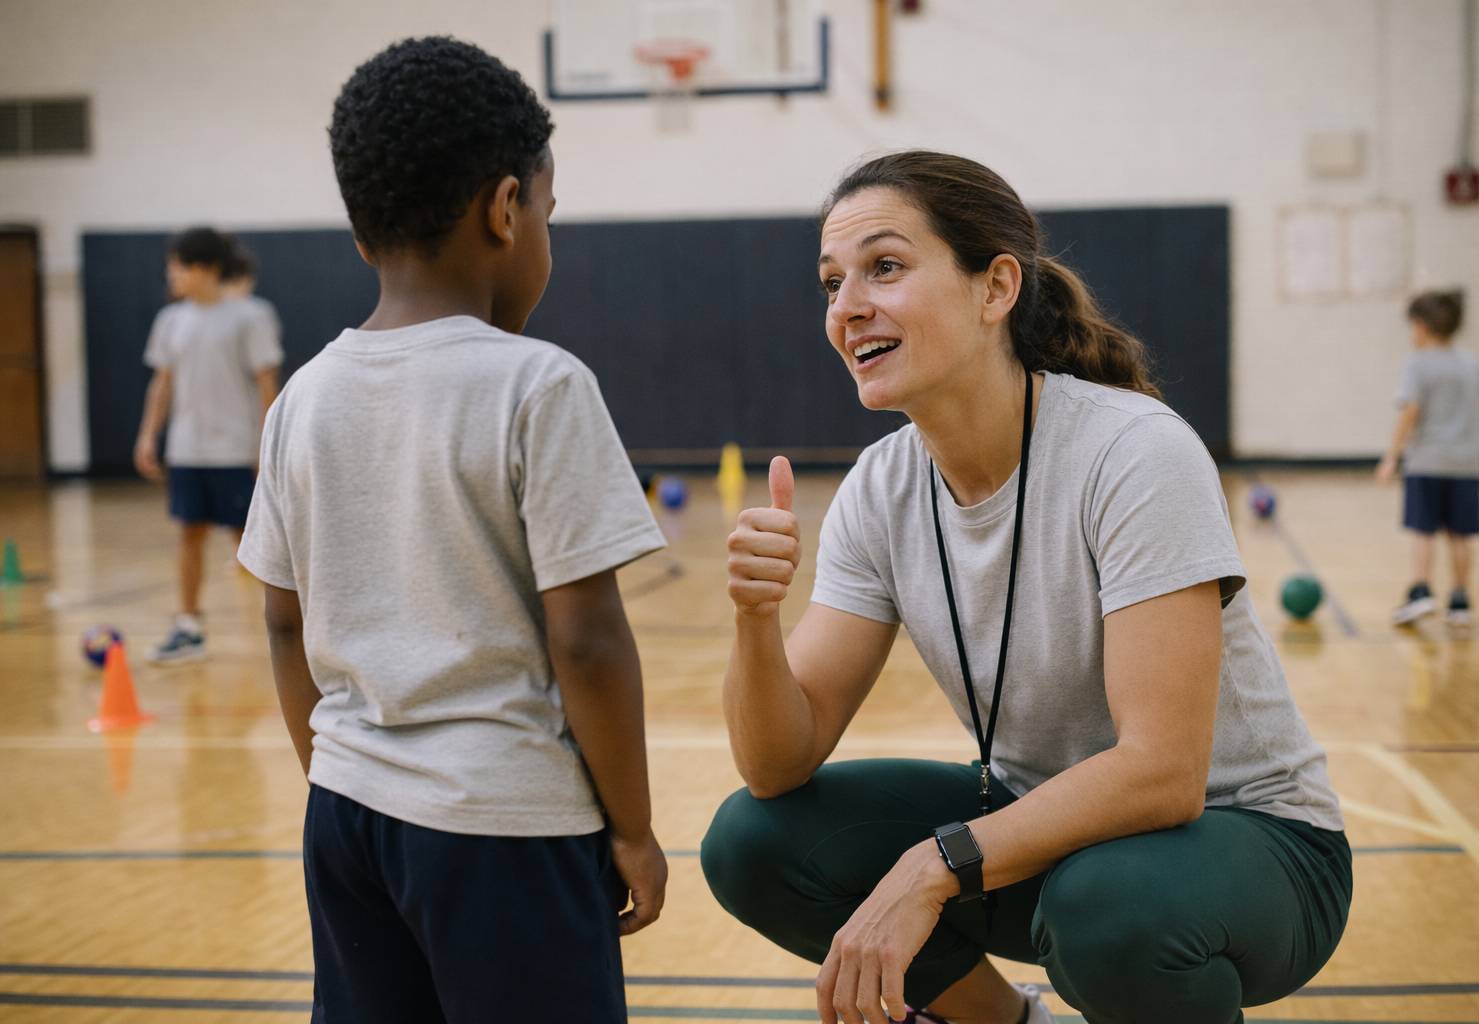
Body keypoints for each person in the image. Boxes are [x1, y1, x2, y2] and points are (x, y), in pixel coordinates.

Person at [702, 151, 1350, 1024]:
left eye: (884, 268)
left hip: (1255, 846)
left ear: (995, 287)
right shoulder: (879, 488)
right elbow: (777, 763)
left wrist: (928, 869)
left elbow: (1163, 774)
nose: (847, 307)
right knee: (755, 842)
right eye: (830, 283)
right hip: (1049, 831)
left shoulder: (1134, 453)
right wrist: (754, 619)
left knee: (1108, 907)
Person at [236, 37, 667, 1022]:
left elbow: (278, 622)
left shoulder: (302, 398)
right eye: (548, 214)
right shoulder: (538, 384)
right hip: (504, 823)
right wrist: (634, 828)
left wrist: (348, 773)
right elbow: (590, 636)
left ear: (360, 232)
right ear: (506, 208)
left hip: (343, 816)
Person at [135, 226, 283, 661]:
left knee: (252, 542)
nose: (172, 274)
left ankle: (290, 626)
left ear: (206, 268)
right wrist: (148, 434)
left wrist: (266, 445)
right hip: (187, 451)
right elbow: (161, 384)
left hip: (235, 450)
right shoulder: (171, 321)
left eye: (178, 266)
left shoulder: (250, 316)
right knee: (189, 535)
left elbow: (266, 384)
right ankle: (188, 626)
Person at [1376, 289, 1479, 628]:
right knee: (1461, 535)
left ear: (1423, 326)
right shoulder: (1474, 364)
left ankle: (1421, 591)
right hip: (1466, 463)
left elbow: (1410, 411)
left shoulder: (1416, 363)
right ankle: (1460, 600)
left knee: (1423, 532)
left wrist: (1391, 457)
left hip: (1427, 461)